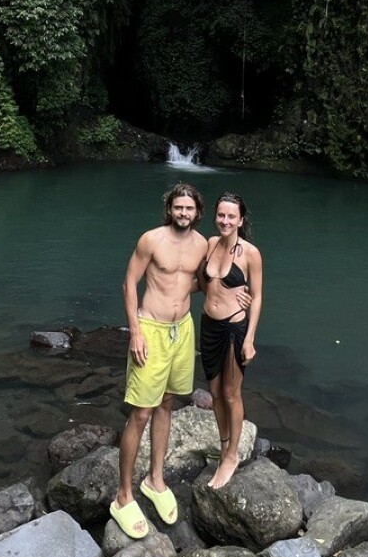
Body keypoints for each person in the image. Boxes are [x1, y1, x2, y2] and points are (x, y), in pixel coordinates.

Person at [110, 182, 249, 538]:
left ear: (197, 212)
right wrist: (136, 332)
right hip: (151, 330)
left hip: (183, 330)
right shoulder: (151, 240)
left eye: (189, 209)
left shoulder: (204, 244)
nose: (183, 213)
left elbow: (207, 281)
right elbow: (129, 283)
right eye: (178, 208)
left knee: (167, 404)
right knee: (141, 411)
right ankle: (123, 496)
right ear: (169, 209)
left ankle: (155, 481)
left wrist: (237, 295)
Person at [200, 190, 263, 489]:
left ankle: (232, 456)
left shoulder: (250, 253)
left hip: (234, 329)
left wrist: (250, 337)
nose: (225, 221)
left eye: (231, 217)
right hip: (208, 326)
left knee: (230, 393)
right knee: (213, 393)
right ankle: (224, 444)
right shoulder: (210, 245)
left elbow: (259, 295)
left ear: (241, 220)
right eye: (221, 215)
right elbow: (204, 283)